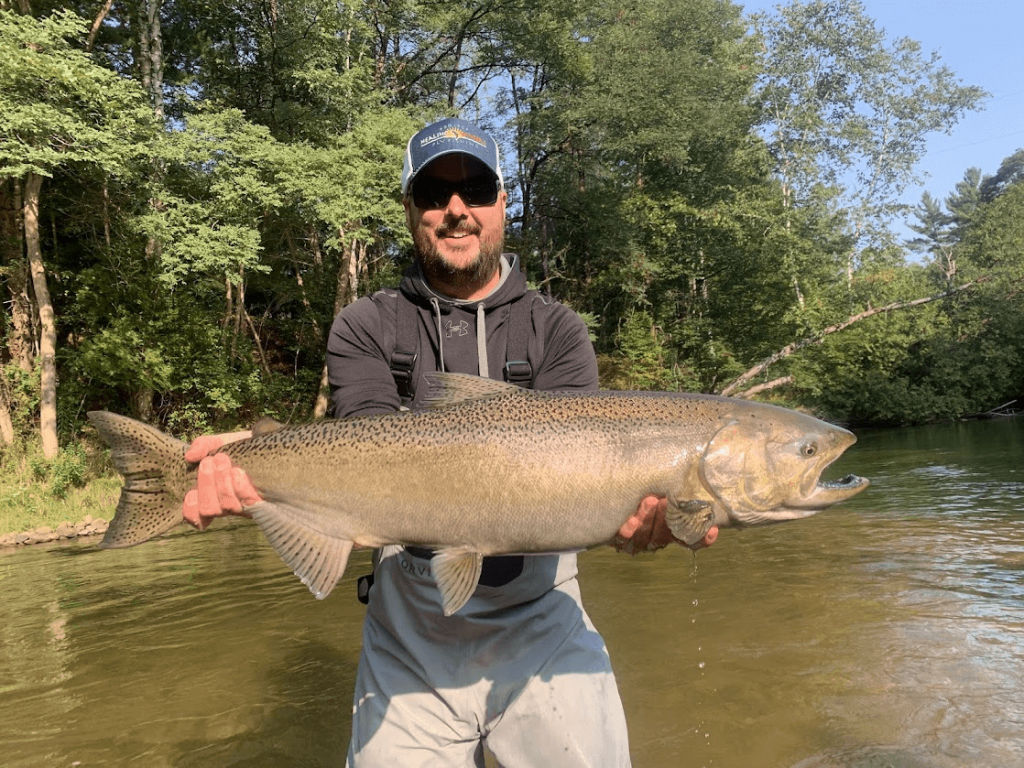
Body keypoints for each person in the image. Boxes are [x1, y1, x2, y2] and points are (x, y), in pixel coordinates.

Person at [182, 117, 718, 767]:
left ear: (502, 205)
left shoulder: (557, 330)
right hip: (409, 634)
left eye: (477, 189)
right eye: (435, 192)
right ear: (410, 210)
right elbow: (366, 451)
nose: (457, 208)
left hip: (542, 620)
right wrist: (259, 462)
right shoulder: (365, 324)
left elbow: (584, 479)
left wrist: (637, 526)